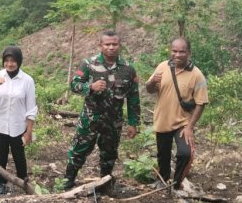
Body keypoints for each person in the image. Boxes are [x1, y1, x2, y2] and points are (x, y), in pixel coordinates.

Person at [64, 30, 140, 192]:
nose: (111, 47)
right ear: (100, 45)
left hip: (113, 121)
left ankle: (104, 184)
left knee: (109, 155)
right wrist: (89, 87)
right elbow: (74, 85)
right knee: (79, 151)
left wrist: (133, 123)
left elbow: (133, 98)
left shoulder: (128, 69)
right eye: (107, 44)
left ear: (120, 46)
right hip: (90, 120)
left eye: (114, 44)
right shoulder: (89, 64)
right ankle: (68, 182)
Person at [145, 37, 208, 190]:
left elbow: (201, 103)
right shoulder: (162, 66)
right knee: (163, 155)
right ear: (170, 51)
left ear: (189, 53)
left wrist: (190, 127)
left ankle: (176, 183)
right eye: (174, 51)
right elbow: (149, 89)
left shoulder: (196, 74)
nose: (177, 55)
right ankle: (162, 180)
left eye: (182, 52)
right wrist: (153, 82)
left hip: (183, 122)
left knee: (185, 153)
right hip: (163, 119)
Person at [0, 46, 37, 195]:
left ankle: (23, 183)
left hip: (18, 125)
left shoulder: (27, 81)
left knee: (19, 156)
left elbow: (31, 108)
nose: (10, 64)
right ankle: (1, 184)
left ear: (19, 61)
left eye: (13, 60)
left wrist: (29, 132)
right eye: (7, 60)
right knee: (0, 155)